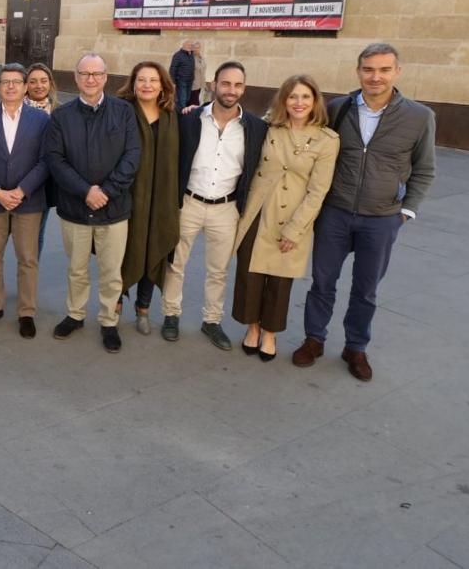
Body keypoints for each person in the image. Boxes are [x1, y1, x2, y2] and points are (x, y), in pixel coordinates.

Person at [294, 44, 436, 381]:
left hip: (382, 218)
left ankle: (355, 346)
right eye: (369, 69)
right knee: (323, 281)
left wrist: (407, 212)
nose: (376, 77)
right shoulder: (337, 108)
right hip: (336, 213)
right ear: (358, 71)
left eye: (384, 70)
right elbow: (305, 136)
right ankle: (314, 339)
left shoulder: (419, 116)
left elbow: (425, 169)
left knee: (366, 288)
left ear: (396, 72)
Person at [234, 75, 340, 361]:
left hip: (293, 215)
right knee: (250, 274)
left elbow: (319, 191)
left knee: (280, 281)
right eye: (293, 96)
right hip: (258, 211)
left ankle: (270, 333)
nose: (299, 102)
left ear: (315, 101)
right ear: (284, 100)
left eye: (305, 97)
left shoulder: (327, 140)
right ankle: (253, 328)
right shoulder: (269, 127)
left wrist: (295, 229)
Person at [161, 61, 266, 347]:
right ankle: (171, 314)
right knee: (175, 264)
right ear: (213, 85)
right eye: (226, 83)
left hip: (226, 208)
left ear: (243, 88)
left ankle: (212, 321)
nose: (231, 90)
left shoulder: (255, 127)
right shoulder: (190, 119)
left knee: (218, 270)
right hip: (189, 202)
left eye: (237, 85)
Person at [44, 53, 141, 353]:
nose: (90, 79)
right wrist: (86, 191)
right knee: (77, 268)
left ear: (105, 77)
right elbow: (56, 160)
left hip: (114, 208)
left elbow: (132, 155)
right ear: (75, 77)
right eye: (84, 73)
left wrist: (107, 191)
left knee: (112, 271)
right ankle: (75, 314)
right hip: (75, 208)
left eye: (96, 74)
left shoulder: (123, 112)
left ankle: (109, 321)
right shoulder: (62, 116)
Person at [0, 63, 50, 338]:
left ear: (26, 87)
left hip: (28, 201)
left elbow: (45, 161)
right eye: (6, 82)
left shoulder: (41, 121)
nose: (11, 86)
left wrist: (22, 190)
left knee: (27, 258)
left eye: (17, 81)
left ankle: (26, 312)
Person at [116, 62, 180, 336]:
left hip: (159, 199)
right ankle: (113, 308)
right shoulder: (121, 111)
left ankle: (143, 309)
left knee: (152, 249)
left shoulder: (172, 116)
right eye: (141, 79)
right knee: (120, 252)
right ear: (133, 83)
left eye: (153, 80)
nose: (147, 85)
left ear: (163, 85)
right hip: (126, 194)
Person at [24, 62, 59, 257]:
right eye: (33, 81)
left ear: (50, 84)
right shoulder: (15, 108)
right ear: (25, 85)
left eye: (44, 81)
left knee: (37, 234)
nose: (39, 85)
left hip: (44, 185)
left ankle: (30, 279)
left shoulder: (59, 112)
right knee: (1, 235)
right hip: (14, 181)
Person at [169, 39, 195, 111]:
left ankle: (182, 110)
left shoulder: (191, 54)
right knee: (182, 99)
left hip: (190, 80)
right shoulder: (177, 55)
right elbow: (172, 69)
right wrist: (173, 82)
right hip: (181, 80)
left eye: (191, 45)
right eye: (189, 45)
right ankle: (181, 113)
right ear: (184, 45)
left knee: (187, 98)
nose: (191, 46)